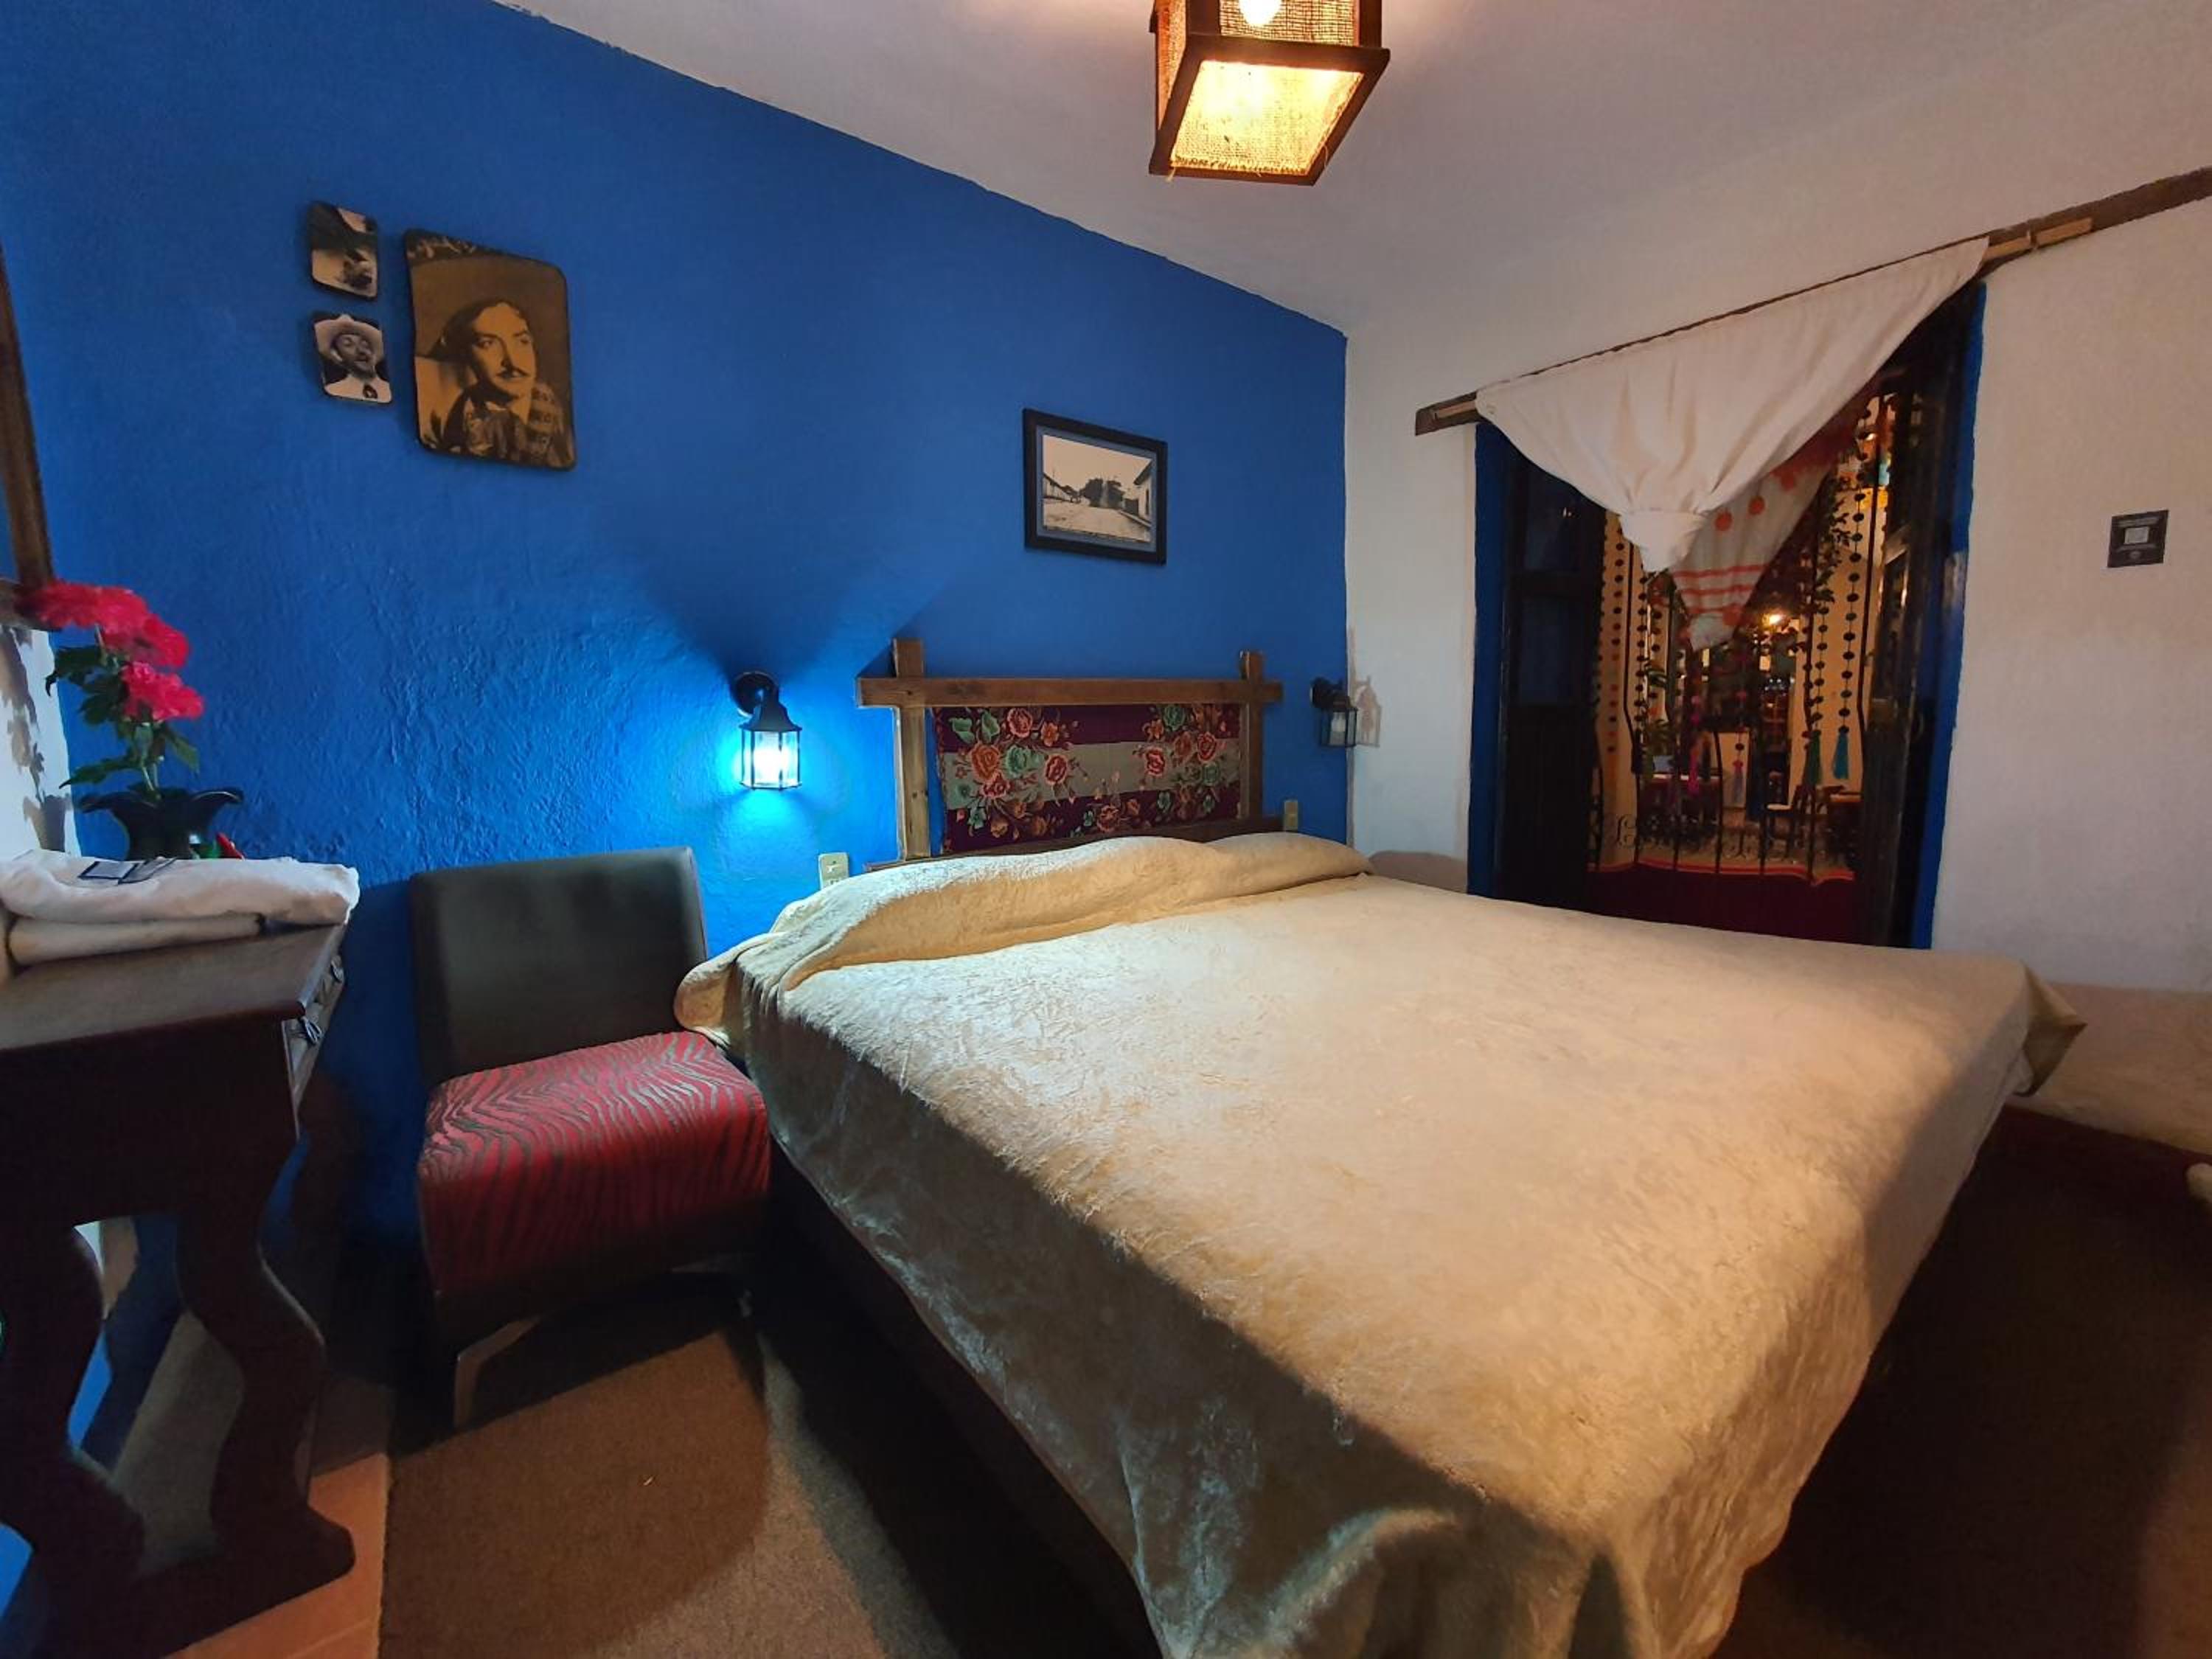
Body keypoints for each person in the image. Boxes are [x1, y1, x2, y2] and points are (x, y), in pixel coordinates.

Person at [422, 297, 574, 468]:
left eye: (522, 341)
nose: (513, 362)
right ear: (465, 355)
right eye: (488, 344)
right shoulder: (452, 421)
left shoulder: (565, 413)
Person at [313, 314, 390, 403]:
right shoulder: (334, 392)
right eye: (348, 344)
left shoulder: (394, 391)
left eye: (364, 343)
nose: (361, 350)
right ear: (337, 354)